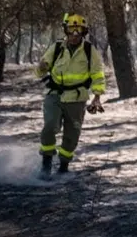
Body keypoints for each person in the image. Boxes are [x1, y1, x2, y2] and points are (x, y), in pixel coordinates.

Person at [33, 13, 105, 178]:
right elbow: (39, 71)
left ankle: (63, 167)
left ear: (83, 32)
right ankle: (46, 166)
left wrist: (97, 97)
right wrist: (41, 68)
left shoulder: (89, 51)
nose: (74, 34)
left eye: (78, 30)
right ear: (66, 30)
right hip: (55, 95)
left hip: (77, 98)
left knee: (72, 134)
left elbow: (97, 74)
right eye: (71, 30)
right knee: (50, 126)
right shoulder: (57, 47)